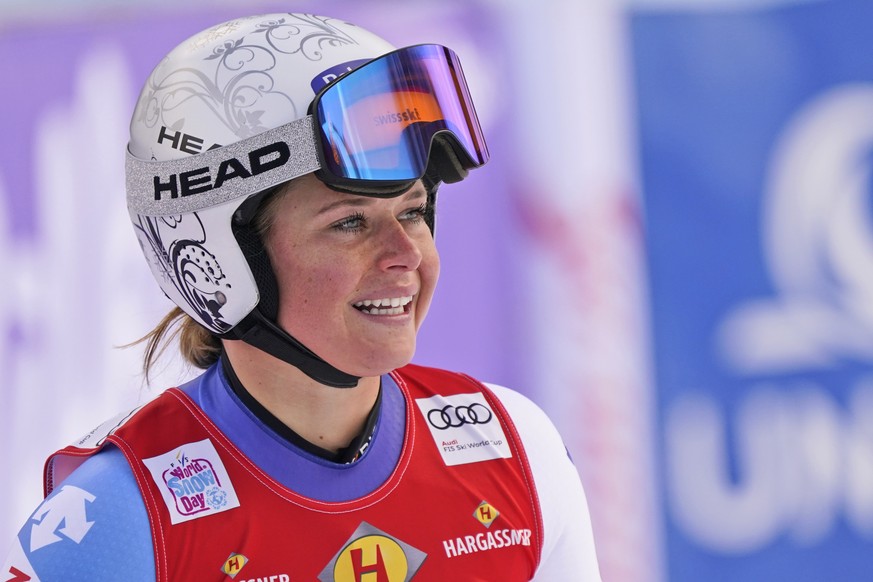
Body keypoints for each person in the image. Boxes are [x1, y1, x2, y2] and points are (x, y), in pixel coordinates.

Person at [3, 12, 602, 581]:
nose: (406, 255)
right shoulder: (119, 517)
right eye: (350, 223)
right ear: (225, 260)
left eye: (414, 212)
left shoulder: (516, 450)